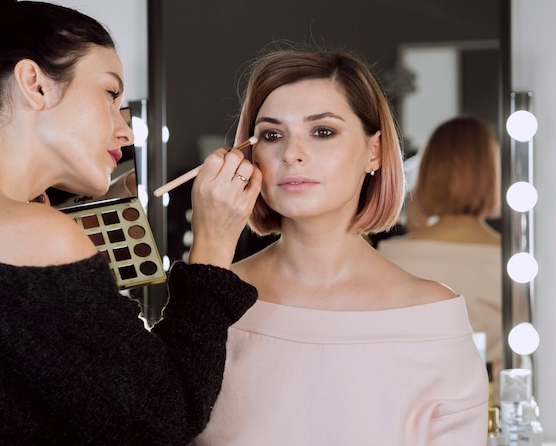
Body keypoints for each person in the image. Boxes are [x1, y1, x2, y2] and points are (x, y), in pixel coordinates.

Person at [0, 0, 261, 444]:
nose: (125, 132)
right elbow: (165, 417)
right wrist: (212, 246)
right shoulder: (34, 237)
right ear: (34, 84)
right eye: (110, 95)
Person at [193, 45, 488, 445]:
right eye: (272, 134)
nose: (291, 154)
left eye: (323, 131)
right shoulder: (210, 305)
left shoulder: (430, 317)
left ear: (374, 151)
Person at [377, 115, 504, 403]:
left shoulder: (387, 257)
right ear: (492, 174)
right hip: (493, 411)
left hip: (407, 410)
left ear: (429, 172)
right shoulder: (515, 263)